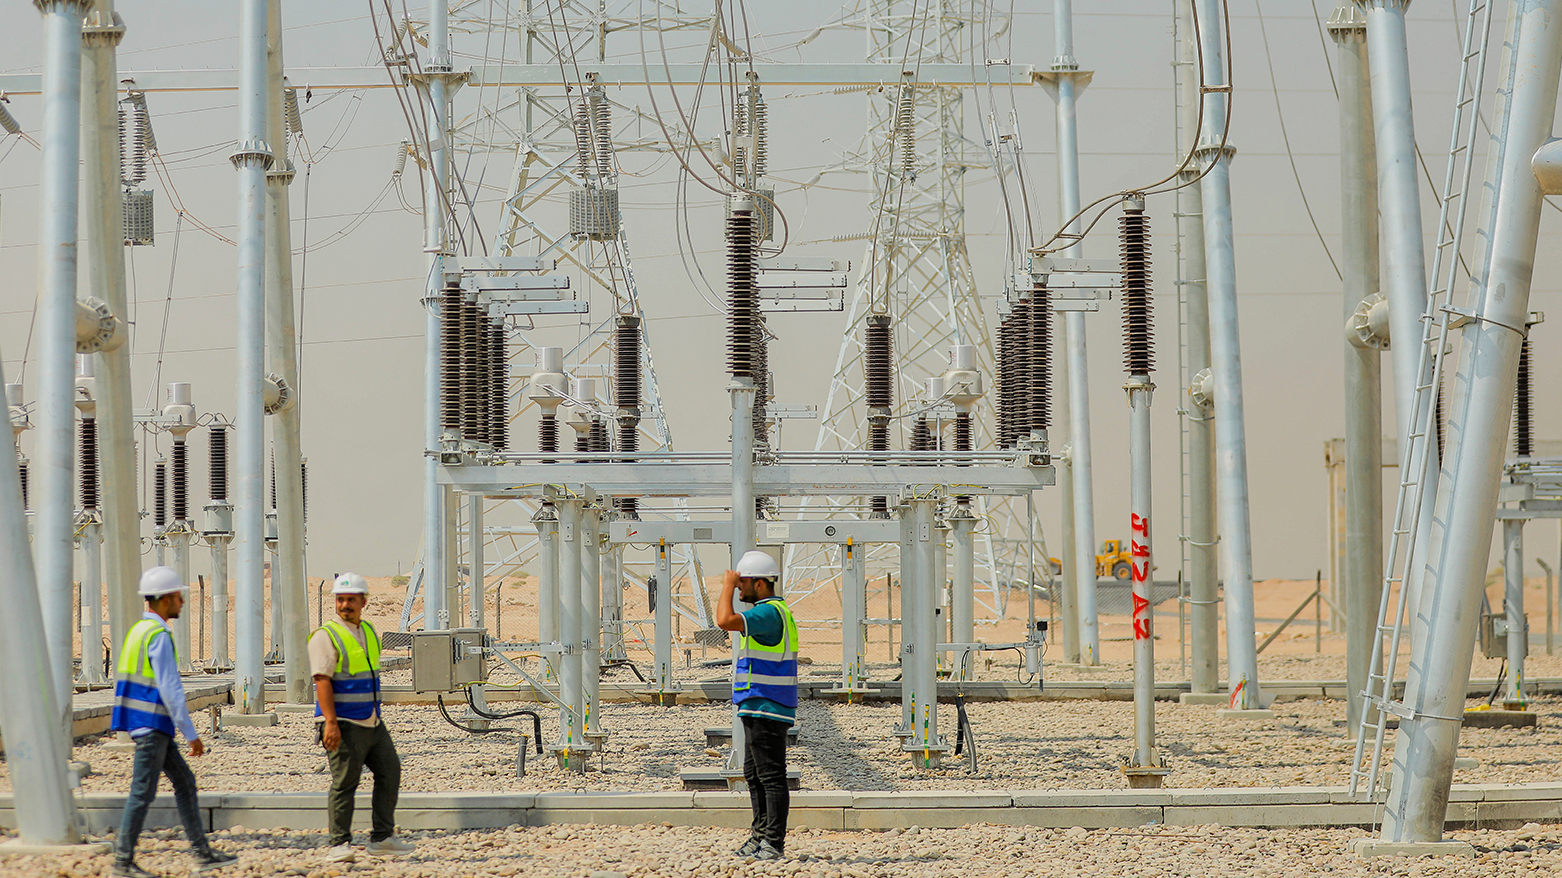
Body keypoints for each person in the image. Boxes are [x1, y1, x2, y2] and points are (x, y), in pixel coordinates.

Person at [110, 566, 237, 878]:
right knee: (142, 793)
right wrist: (192, 733)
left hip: (148, 724)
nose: (182, 601)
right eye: (178, 595)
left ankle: (202, 853)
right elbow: (170, 689)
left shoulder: (139, 631)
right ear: (166, 599)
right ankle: (122, 863)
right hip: (153, 725)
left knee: (185, 782)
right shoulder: (159, 636)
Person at [310, 572, 414, 863]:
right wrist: (330, 722)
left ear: (363, 601)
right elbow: (322, 682)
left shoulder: (368, 631)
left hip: (371, 720)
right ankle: (338, 843)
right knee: (345, 782)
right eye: (341, 599)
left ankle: (382, 838)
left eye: (351, 599)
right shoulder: (325, 636)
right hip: (343, 722)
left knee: (390, 771)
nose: (345, 604)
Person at [715, 550, 799, 861]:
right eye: (735, 585)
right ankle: (760, 835)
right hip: (759, 704)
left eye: (742, 583)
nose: (738, 589)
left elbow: (724, 620)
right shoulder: (772, 611)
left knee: (771, 776)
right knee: (754, 774)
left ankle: (773, 843)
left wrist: (725, 585)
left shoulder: (767, 613)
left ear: (760, 584)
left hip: (769, 704)